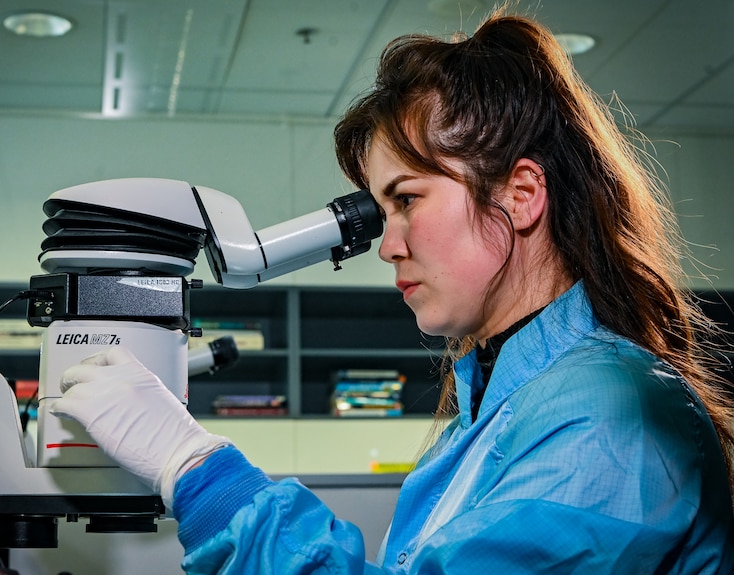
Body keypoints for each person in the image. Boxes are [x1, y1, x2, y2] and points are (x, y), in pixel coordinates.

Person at [50, 8, 734, 574]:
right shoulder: (500, 404)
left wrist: (197, 469)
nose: (387, 243)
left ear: (522, 194)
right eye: (382, 209)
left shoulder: (612, 416)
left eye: (407, 199)